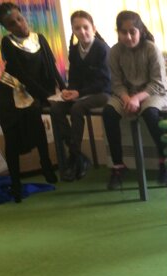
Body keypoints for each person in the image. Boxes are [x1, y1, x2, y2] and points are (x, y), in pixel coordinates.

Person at [0, 2, 65, 203]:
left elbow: (52, 67)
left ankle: (47, 168)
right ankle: (15, 184)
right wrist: (45, 95)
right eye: (12, 23)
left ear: (24, 17)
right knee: (12, 139)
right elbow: (21, 74)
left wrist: (63, 89)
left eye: (20, 19)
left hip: (31, 94)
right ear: (7, 28)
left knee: (38, 129)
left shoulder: (39, 38)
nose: (19, 24)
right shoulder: (7, 43)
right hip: (9, 95)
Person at [102, 11, 167, 191]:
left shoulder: (151, 49)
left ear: (140, 31)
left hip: (155, 92)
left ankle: (166, 161)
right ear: (118, 32)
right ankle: (118, 166)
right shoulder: (115, 51)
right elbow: (116, 84)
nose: (128, 36)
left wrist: (137, 99)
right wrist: (127, 98)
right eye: (123, 32)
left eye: (132, 32)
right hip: (126, 93)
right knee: (108, 113)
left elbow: (157, 83)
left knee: (150, 113)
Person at [49, 10, 110, 182]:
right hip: (81, 94)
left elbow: (105, 81)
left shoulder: (102, 48)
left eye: (85, 27)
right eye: (77, 28)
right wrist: (69, 90)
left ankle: (74, 157)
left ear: (93, 28)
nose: (82, 32)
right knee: (55, 108)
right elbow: (75, 78)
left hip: (103, 93)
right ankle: (78, 155)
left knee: (77, 108)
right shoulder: (75, 50)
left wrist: (79, 93)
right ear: (73, 31)